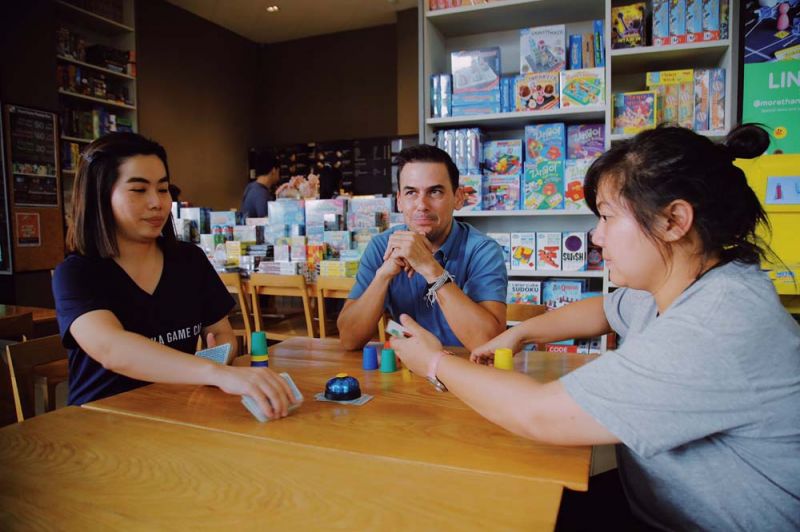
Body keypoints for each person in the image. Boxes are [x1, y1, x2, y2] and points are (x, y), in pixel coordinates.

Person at [390, 125, 800, 530]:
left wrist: (435, 363)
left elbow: (538, 414)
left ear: (673, 220)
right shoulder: (690, 284)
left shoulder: (713, 327)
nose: (596, 237)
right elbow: (604, 309)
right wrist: (521, 333)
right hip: (652, 507)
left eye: (606, 217)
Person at [52, 132, 296, 420]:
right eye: (139, 190)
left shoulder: (188, 260)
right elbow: (111, 348)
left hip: (175, 411)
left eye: (163, 188)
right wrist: (216, 373)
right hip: (100, 421)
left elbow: (221, 333)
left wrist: (217, 359)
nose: (157, 202)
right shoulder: (77, 273)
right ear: (100, 197)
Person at [337, 144, 507, 351]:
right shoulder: (382, 246)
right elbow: (349, 339)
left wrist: (430, 267)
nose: (422, 205)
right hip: (407, 365)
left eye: (435, 192)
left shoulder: (483, 250)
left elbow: (489, 344)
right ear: (399, 201)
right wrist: (383, 275)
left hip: (467, 365)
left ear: (458, 198)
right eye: (411, 192)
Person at [240, 151, 280, 217]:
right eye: (278, 171)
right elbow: (267, 220)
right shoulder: (261, 193)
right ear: (274, 170)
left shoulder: (251, 186)